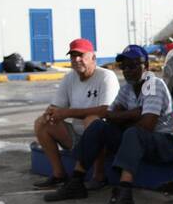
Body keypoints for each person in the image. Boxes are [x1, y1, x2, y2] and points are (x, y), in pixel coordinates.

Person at [44, 44, 173, 204]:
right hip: (144, 141)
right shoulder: (127, 89)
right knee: (98, 126)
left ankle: (124, 194)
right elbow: (108, 114)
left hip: (168, 143)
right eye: (124, 66)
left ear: (146, 67)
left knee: (132, 133)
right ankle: (76, 181)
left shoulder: (153, 85)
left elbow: (147, 124)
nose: (128, 70)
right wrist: (134, 113)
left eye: (133, 65)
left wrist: (124, 117)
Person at [32, 38, 118, 190]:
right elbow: (56, 106)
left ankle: (99, 176)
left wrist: (67, 112)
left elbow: (106, 111)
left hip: (103, 139)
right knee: (41, 123)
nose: (76, 59)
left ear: (93, 58)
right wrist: (50, 113)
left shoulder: (106, 76)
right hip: (77, 135)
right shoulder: (69, 78)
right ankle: (59, 174)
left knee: (93, 121)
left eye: (81, 55)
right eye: (72, 56)